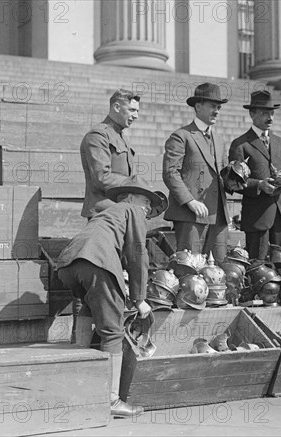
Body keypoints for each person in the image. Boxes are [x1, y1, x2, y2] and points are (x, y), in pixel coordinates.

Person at [56, 177, 168, 418]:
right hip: (97, 263)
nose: (148, 207)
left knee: (87, 309)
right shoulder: (132, 210)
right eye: (145, 200)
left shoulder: (108, 212)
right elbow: (138, 255)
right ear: (129, 197)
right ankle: (112, 401)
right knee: (112, 331)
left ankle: (80, 386)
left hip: (68, 265)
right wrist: (139, 298)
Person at [162, 82, 230, 262]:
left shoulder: (220, 139)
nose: (216, 111)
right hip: (191, 214)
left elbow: (223, 176)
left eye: (219, 107)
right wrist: (190, 201)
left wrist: (237, 178)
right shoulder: (181, 136)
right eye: (212, 106)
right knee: (189, 269)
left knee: (220, 272)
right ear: (198, 106)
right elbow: (170, 173)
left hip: (218, 215)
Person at [228, 90, 281, 261]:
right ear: (252, 114)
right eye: (265, 113)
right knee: (258, 268)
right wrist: (259, 185)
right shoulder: (240, 144)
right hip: (257, 217)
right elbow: (234, 182)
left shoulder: (280, 142)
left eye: (272, 113)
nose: (270, 118)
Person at [81, 89, 140, 220]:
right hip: (103, 213)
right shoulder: (98, 135)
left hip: (122, 210)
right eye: (132, 110)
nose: (136, 116)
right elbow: (102, 177)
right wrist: (137, 185)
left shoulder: (122, 137)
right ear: (117, 107)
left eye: (137, 111)